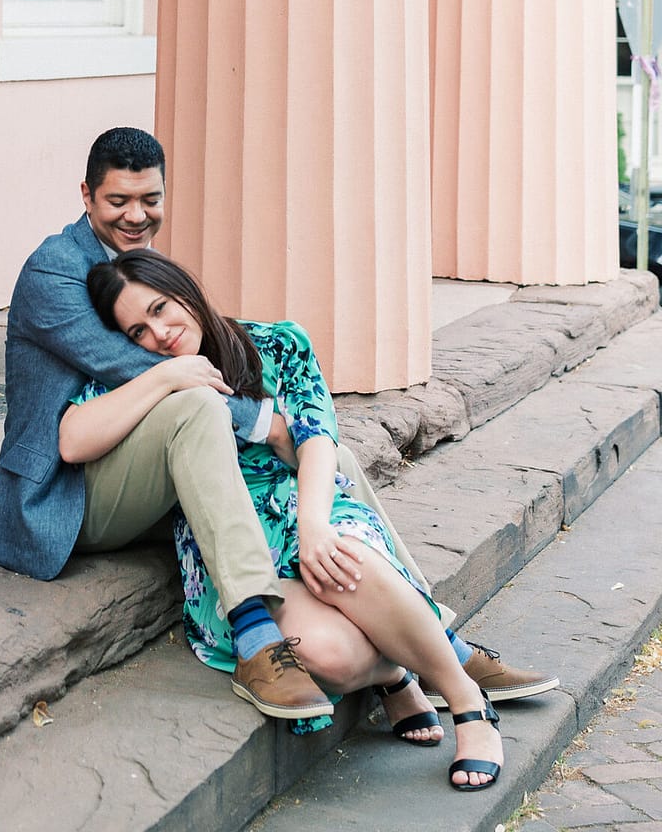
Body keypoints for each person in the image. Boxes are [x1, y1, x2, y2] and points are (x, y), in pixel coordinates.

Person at [0, 126, 555, 731]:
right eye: (118, 201)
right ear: (87, 196)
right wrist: (259, 420)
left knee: (329, 457)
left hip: (140, 460)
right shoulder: (56, 269)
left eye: (151, 200)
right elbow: (134, 365)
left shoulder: (133, 265)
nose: (136, 216)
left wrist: (296, 444)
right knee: (205, 410)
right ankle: (256, 635)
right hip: (65, 489)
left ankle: (439, 638)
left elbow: (181, 354)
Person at [78, 248, 507, 790]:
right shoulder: (138, 371)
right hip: (233, 542)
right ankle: (397, 671)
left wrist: (313, 525)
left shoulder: (278, 342)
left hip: (304, 505)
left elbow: (317, 439)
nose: (158, 334)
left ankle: (469, 704)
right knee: (331, 656)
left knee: (340, 562)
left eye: (160, 308)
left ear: (185, 290)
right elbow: (74, 438)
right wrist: (164, 379)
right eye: (137, 330)